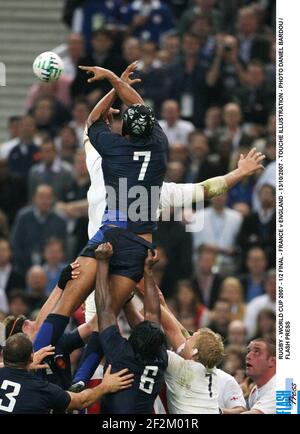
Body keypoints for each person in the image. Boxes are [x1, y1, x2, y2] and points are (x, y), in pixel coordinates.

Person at [92, 243, 168, 414]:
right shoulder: (160, 357)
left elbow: (103, 306)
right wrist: (147, 271)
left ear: (130, 341)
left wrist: (102, 262)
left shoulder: (123, 356)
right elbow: (154, 315)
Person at [0, 333, 133, 414]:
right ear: (31, 357)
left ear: (3, 355)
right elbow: (81, 400)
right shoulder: (40, 389)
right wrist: (106, 386)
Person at [11, 185, 67, 274]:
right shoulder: (23, 217)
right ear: (34, 198)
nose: (44, 201)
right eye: (41, 197)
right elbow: (15, 243)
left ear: (52, 200)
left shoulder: (60, 221)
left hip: (52, 269)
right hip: (23, 267)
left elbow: (63, 248)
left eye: (47, 198)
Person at [242, 338, 276, 414]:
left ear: (272, 361)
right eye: (248, 351)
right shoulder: (254, 391)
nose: (248, 356)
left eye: (257, 352)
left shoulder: (282, 387)